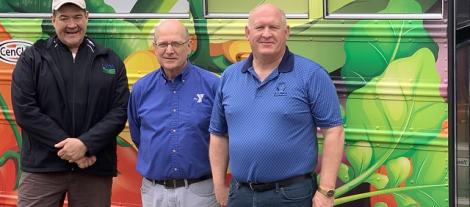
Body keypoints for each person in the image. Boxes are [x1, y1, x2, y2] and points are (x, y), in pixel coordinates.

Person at [209, 3, 345, 207]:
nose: (266, 34)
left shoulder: (311, 75)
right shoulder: (229, 76)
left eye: (273, 27)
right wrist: (219, 185)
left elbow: (334, 131)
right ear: (247, 33)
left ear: (286, 32)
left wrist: (326, 190)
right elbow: (218, 134)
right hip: (241, 195)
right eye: (259, 27)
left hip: (291, 195)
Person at [11, 0, 129, 206]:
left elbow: (120, 111)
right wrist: (72, 150)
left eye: (77, 17)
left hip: (93, 168)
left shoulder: (109, 60)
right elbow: (25, 110)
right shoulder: (33, 57)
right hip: (43, 168)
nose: (72, 24)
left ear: (87, 17)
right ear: (53, 20)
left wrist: (86, 145)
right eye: (64, 18)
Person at [127, 20, 220, 207]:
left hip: (200, 192)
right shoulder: (141, 89)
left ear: (190, 45)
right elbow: (139, 136)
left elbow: (223, 136)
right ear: (154, 47)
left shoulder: (213, 86)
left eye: (176, 43)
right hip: (154, 193)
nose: (169, 50)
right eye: (163, 44)